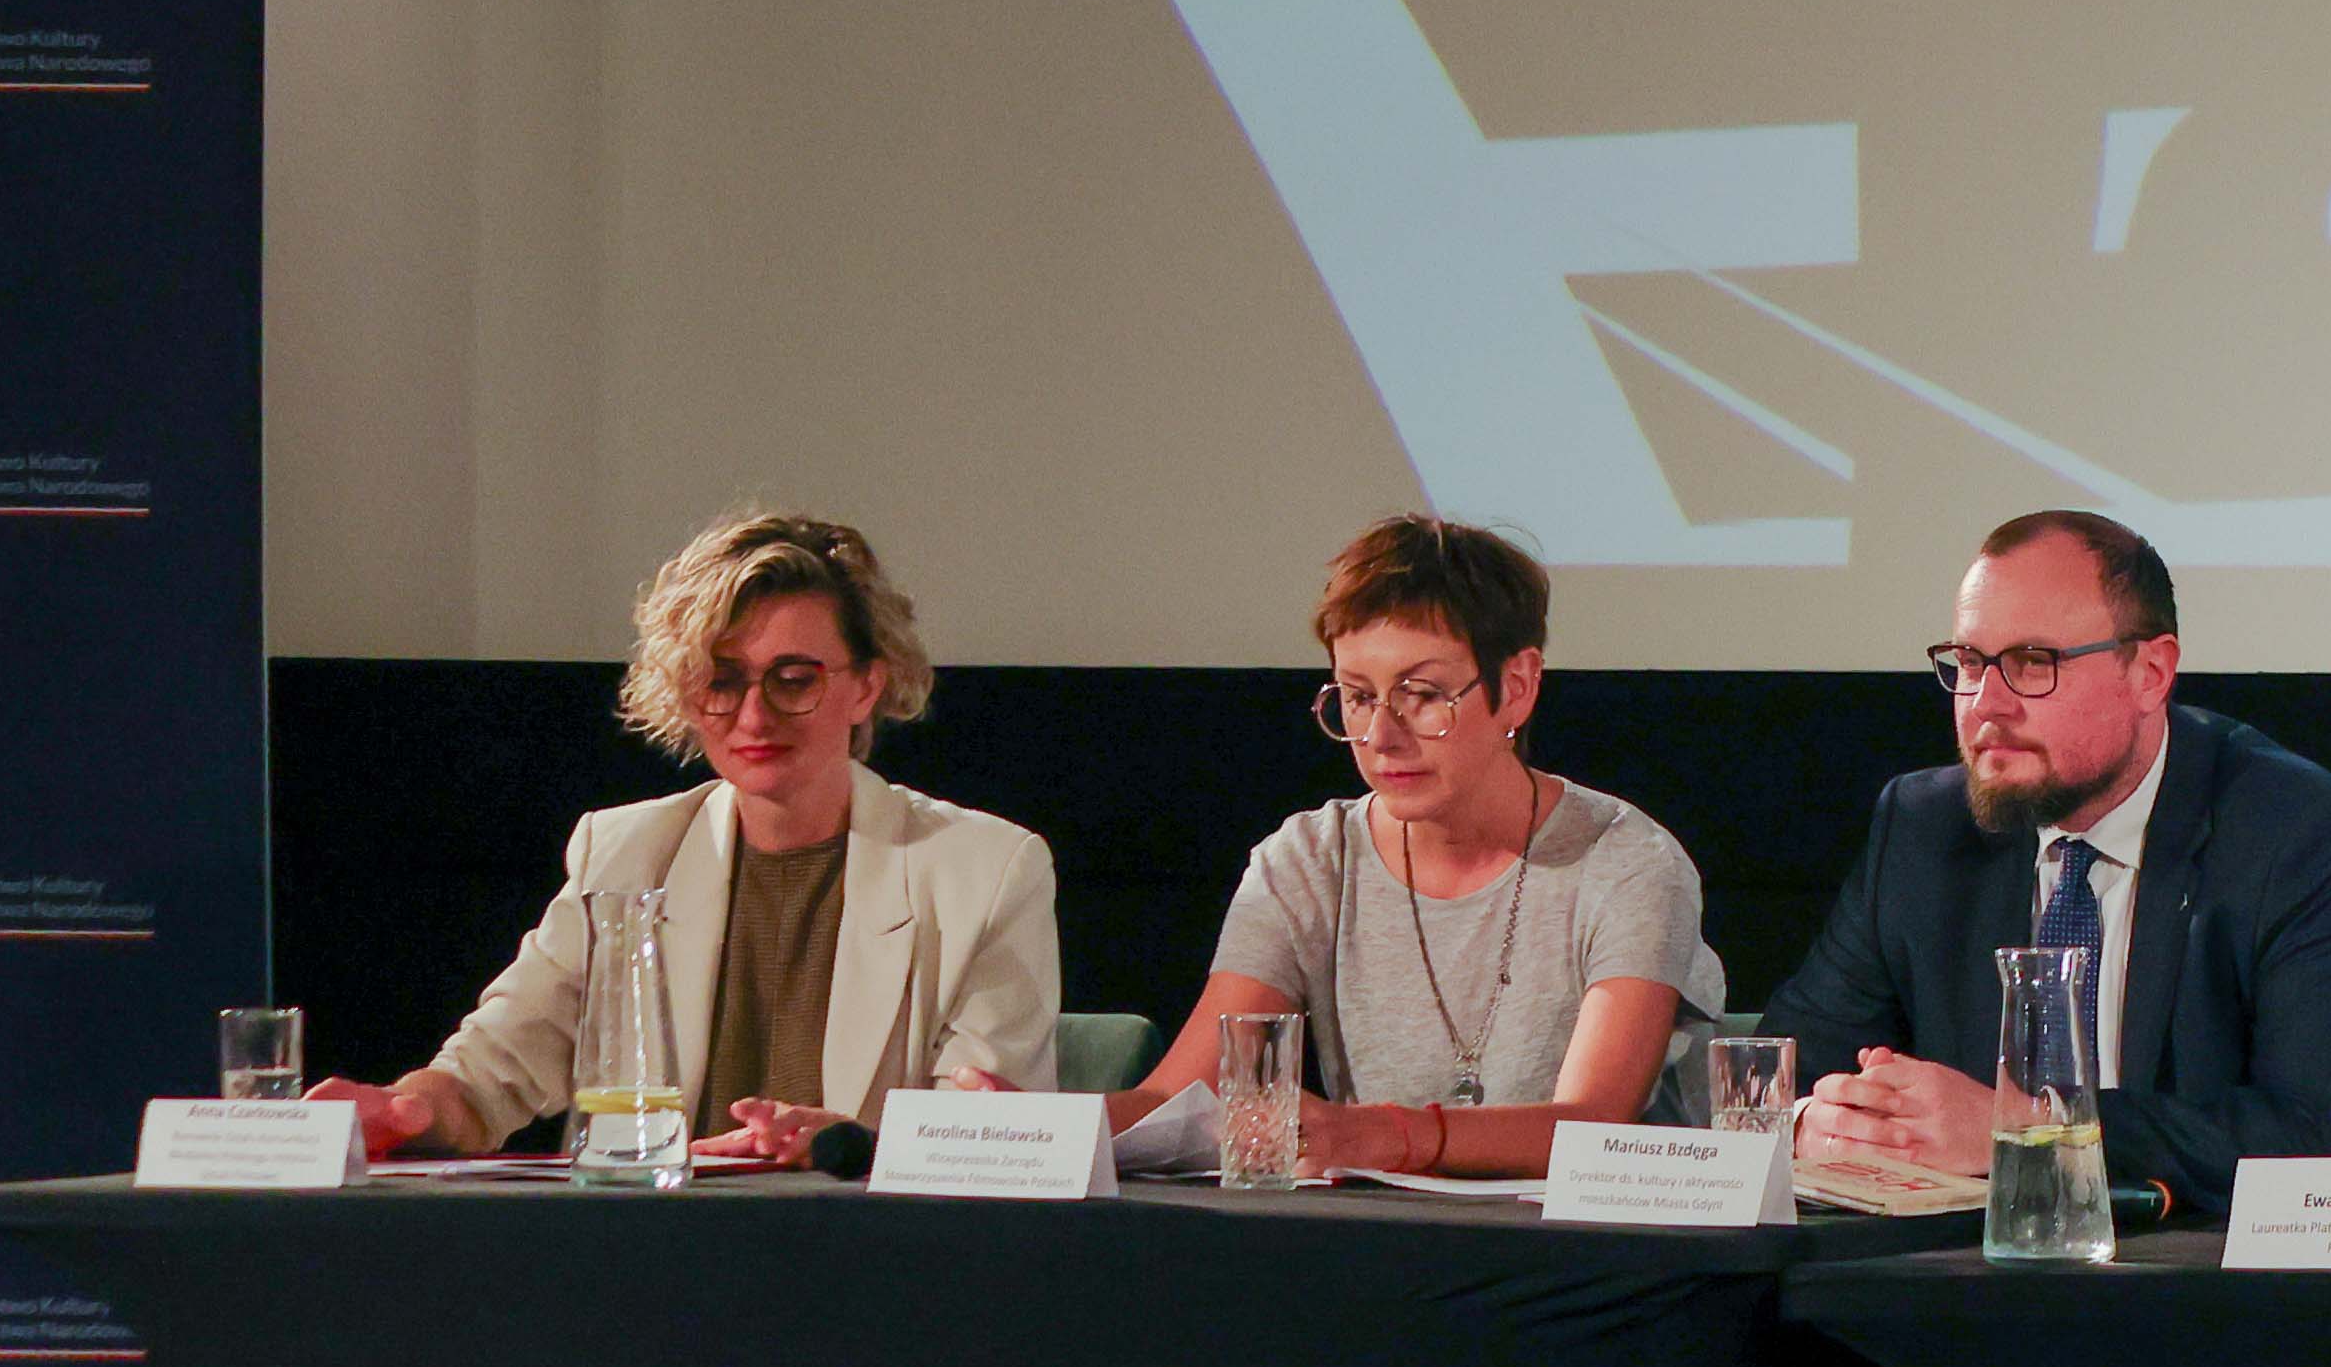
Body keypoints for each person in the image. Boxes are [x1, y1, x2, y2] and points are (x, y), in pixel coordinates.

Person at [320, 506, 1058, 1165]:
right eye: (721, 680)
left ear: (866, 686)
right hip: (656, 1251)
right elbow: (490, 1070)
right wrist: (406, 1109)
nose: (753, 716)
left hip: (878, 1254)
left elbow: (981, 1137)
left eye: (793, 678)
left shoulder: (985, 870)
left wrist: (847, 1144)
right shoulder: (623, 851)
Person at [1761, 507, 2331, 1219]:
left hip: (2189, 1266)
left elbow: (2329, 1137)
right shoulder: (1924, 826)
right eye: (1969, 663)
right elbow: (1778, 1072)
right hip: (1958, 1267)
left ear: (2150, 672)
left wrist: (2026, 1125)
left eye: (2033, 663)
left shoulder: (2290, 831)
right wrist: (1819, 1121)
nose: (1986, 705)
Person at [1104, 515, 1716, 1180]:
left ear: (1517, 686)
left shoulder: (1625, 861)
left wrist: (1384, 1134)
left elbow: (1594, 1123)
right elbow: (1177, 1103)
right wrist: (1039, 1129)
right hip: (1385, 1229)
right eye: (1357, 697)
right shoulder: (1309, 860)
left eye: (1421, 695)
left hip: (1595, 1230)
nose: (1381, 736)